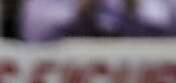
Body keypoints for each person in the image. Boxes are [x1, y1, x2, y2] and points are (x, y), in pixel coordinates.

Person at [19, 0, 176, 39]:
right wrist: (80, 12)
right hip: (72, 76)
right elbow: (32, 32)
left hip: (142, 76)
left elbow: (169, 27)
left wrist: (133, 9)